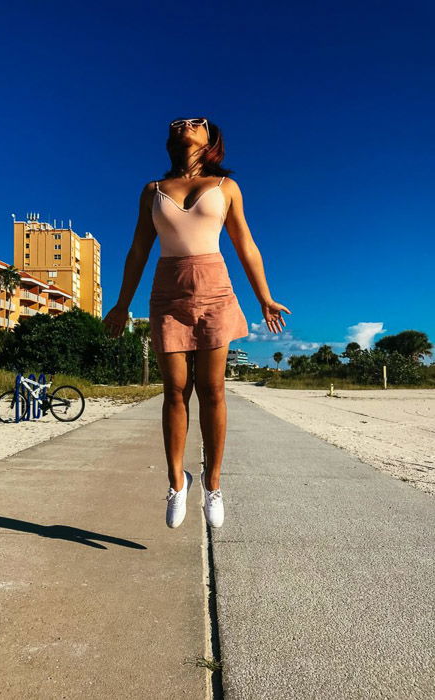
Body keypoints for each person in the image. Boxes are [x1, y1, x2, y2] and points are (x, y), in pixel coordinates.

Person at [102, 116, 291, 530]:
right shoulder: (153, 190)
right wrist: (120, 304)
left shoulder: (225, 187)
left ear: (210, 139)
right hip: (167, 294)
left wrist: (264, 297)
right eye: (178, 122)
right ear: (171, 137)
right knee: (174, 390)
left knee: (213, 390)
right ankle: (176, 481)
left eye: (196, 122)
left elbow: (246, 245)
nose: (185, 125)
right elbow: (137, 250)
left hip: (215, 291)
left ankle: (213, 482)